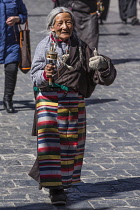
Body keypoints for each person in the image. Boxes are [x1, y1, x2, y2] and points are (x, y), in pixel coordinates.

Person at [29, 7, 117, 205]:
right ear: (52, 26)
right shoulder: (44, 45)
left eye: (68, 22)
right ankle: (55, 188)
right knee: (50, 146)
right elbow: (34, 76)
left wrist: (102, 65)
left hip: (73, 103)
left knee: (70, 145)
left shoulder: (80, 46)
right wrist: (45, 74)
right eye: (59, 23)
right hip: (49, 101)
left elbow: (98, 75)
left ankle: (62, 182)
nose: (64, 26)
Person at [0, 0, 28, 113]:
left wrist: (18, 19)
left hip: (12, 42)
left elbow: (24, 15)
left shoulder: (16, 0)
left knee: (12, 69)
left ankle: (8, 99)